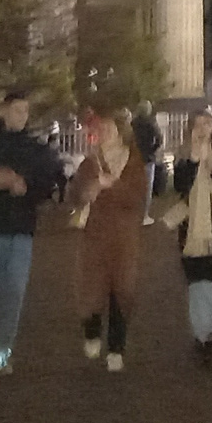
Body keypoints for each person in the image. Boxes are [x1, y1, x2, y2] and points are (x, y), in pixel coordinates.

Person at [0, 90, 66, 374]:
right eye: (17, 110)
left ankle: (2, 354)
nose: (22, 116)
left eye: (26, 111)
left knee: (13, 293)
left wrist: (26, 186)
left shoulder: (37, 151)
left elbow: (53, 183)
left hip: (20, 230)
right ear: (4, 112)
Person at [67, 115, 146, 372]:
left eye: (112, 128)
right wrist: (88, 190)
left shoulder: (134, 162)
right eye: (103, 129)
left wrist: (114, 185)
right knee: (91, 286)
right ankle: (91, 331)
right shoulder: (90, 163)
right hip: (95, 235)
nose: (107, 133)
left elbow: (137, 198)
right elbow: (75, 196)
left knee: (121, 290)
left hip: (124, 237)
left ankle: (116, 347)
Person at [163, 111, 212, 368]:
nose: (203, 128)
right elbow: (180, 186)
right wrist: (196, 162)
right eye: (197, 124)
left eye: (207, 123)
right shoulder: (185, 156)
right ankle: (202, 333)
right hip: (194, 227)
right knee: (199, 284)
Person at [132, 108, 166, 224]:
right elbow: (159, 139)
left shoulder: (133, 124)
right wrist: (153, 150)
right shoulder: (151, 123)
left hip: (134, 158)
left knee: (134, 186)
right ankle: (144, 215)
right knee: (147, 188)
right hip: (147, 158)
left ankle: (134, 213)